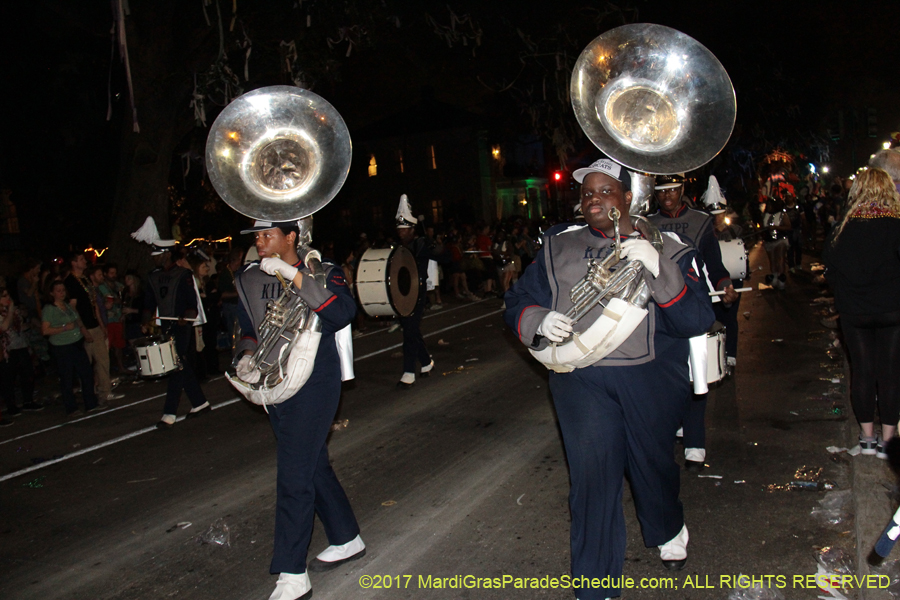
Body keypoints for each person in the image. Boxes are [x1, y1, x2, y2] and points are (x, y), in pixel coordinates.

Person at [504, 158, 714, 600]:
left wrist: (659, 267)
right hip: (582, 378)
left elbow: (695, 318)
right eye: (586, 194)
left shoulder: (671, 245)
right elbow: (518, 298)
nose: (593, 200)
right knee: (591, 477)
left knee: (651, 465)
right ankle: (595, 583)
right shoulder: (557, 246)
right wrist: (538, 319)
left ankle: (665, 524)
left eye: (605, 192)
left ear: (628, 197)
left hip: (650, 376)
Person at [232, 219, 364, 600]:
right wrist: (244, 355)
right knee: (310, 464)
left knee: (293, 475)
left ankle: (292, 572)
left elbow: (341, 313)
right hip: (274, 383)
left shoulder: (323, 271)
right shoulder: (249, 277)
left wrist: (294, 275)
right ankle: (346, 535)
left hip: (314, 383)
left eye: (266, 235)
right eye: (256, 236)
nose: (258, 241)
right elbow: (248, 326)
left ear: (291, 237)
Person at [648, 174, 737, 471]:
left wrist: (724, 284)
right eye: (661, 192)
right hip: (659, 309)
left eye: (672, 190)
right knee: (666, 375)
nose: (667, 197)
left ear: (682, 189)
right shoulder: (645, 224)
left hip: (693, 305)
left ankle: (695, 442)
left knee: (697, 372)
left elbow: (714, 262)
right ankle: (677, 423)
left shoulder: (700, 221)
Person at [823, 168, 900, 459]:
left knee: (863, 371)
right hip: (892, 310)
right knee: (890, 373)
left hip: (855, 311)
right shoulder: (896, 224)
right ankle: (889, 442)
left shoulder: (844, 226)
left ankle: (867, 438)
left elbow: (829, 265)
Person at [132, 217, 211, 428]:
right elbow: (149, 302)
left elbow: (191, 301)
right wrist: (144, 320)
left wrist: (187, 316)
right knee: (179, 364)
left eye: (157, 256)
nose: (154, 260)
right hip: (165, 325)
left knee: (176, 364)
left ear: (166, 254)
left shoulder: (184, 274)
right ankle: (200, 402)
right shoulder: (152, 276)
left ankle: (169, 413)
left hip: (181, 326)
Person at [395, 195, 441, 388]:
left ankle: (408, 372)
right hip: (403, 294)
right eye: (399, 229)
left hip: (417, 293)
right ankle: (425, 362)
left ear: (412, 229)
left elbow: (440, 255)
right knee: (410, 330)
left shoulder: (421, 243)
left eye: (405, 229)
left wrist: (434, 243)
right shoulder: (398, 246)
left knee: (410, 331)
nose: (401, 233)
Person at [64, 253, 121, 401]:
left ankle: (105, 391)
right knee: (86, 363)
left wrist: (101, 325)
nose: (85, 262)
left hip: (95, 325)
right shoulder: (70, 281)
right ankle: (88, 394)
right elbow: (73, 307)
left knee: (103, 360)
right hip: (84, 327)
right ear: (74, 262)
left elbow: (94, 304)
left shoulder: (85, 280)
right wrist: (82, 328)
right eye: (81, 259)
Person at [41, 280, 101, 415]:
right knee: (67, 377)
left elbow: (77, 321)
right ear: (51, 293)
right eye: (58, 290)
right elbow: (45, 330)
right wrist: (64, 328)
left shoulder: (68, 306)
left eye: (63, 290)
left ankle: (90, 403)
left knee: (86, 373)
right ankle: (71, 407)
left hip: (76, 342)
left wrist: (85, 333)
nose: (62, 293)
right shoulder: (49, 309)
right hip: (62, 346)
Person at [0, 284, 42, 416]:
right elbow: (5, 327)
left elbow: (20, 326)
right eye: (4, 296)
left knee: (27, 374)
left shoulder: (13, 310)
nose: (8, 298)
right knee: (8, 379)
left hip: (21, 345)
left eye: (8, 295)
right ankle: (11, 405)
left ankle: (28, 401)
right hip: (8, 350)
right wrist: (11, 311)